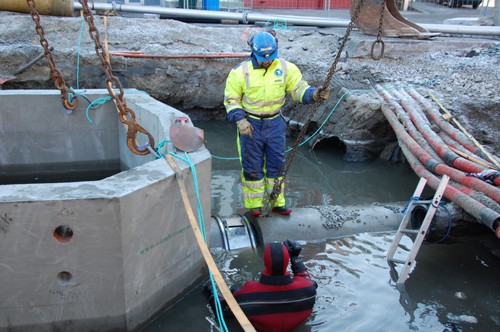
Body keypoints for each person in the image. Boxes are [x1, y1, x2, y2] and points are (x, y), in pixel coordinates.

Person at [223, 30, 330, 217]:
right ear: (253, 52)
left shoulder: (286, 68)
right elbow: (231, 99)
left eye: (270, 57)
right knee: (252, 166)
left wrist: (313, 94)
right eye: (263, 58)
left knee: (276, 165)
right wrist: (240, 120)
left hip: (274, 123)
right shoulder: (240, 72)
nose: (267, 61)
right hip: (251, 123)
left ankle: (276, 202)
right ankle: (254, 206)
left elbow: (298, 89)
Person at [206, 239, 318, 332]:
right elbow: (304, 276)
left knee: (234, 291)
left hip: (262, 327)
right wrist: (295, 258)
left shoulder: (248, 292)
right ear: (287, 262)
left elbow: (220, 309)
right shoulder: (308, 288)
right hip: (294, 325)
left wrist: (210, 291)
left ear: (265, 262)